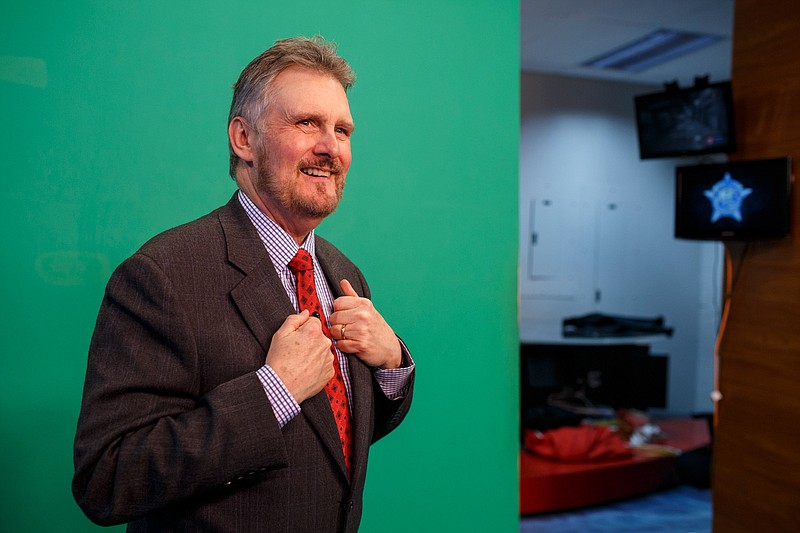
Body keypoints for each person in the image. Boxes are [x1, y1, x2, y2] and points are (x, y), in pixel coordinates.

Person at [72, 36, 415, 533]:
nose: (330, 147)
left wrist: (392, 367)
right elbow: (107, 479)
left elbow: (329, 438)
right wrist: (272, 393)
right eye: (307, 124)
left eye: (342, 130)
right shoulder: (161, 275)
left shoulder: (344, 274)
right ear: (244, 139)